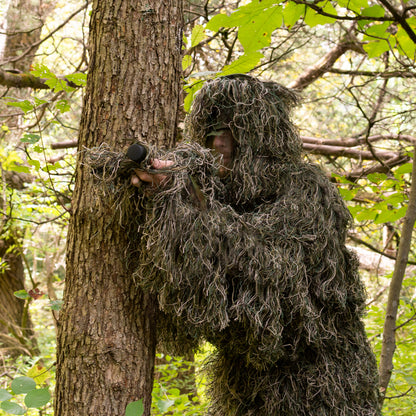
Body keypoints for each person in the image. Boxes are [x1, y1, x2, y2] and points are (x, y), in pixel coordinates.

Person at [131, 75, 380, 415]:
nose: (219, 141)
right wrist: (164, 197)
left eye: (232, 130)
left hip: (322, 389)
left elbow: (268, 273)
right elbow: (196, 299)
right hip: (245, 393)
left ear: (261, 136)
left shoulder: (306, 191)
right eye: (211, 130)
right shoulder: (220, 195)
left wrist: (185, 200)